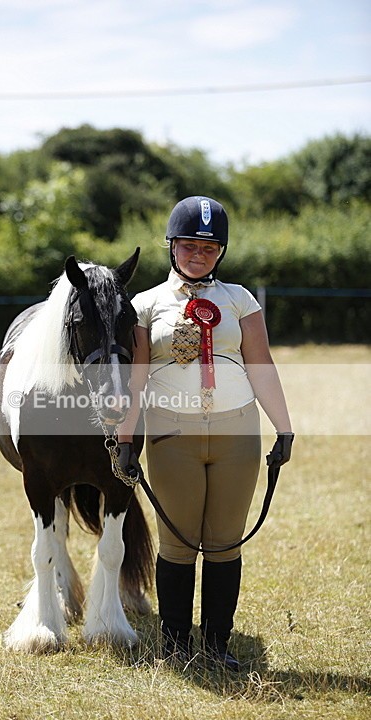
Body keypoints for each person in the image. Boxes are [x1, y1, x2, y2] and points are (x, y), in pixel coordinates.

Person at [116, 195, 293, 670]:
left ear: (222, 252)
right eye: (189, 244)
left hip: (238, 432)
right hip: (173, 436)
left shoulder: (239, 300)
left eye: (210, 248)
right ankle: (175, 645)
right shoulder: (145, 305)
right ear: (171, 246)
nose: (199, 254)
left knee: (224, 541)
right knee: (177, 542)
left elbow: (262, 364)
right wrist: (127, 439)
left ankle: (217, 644)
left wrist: (285, 428)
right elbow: (135, 379)